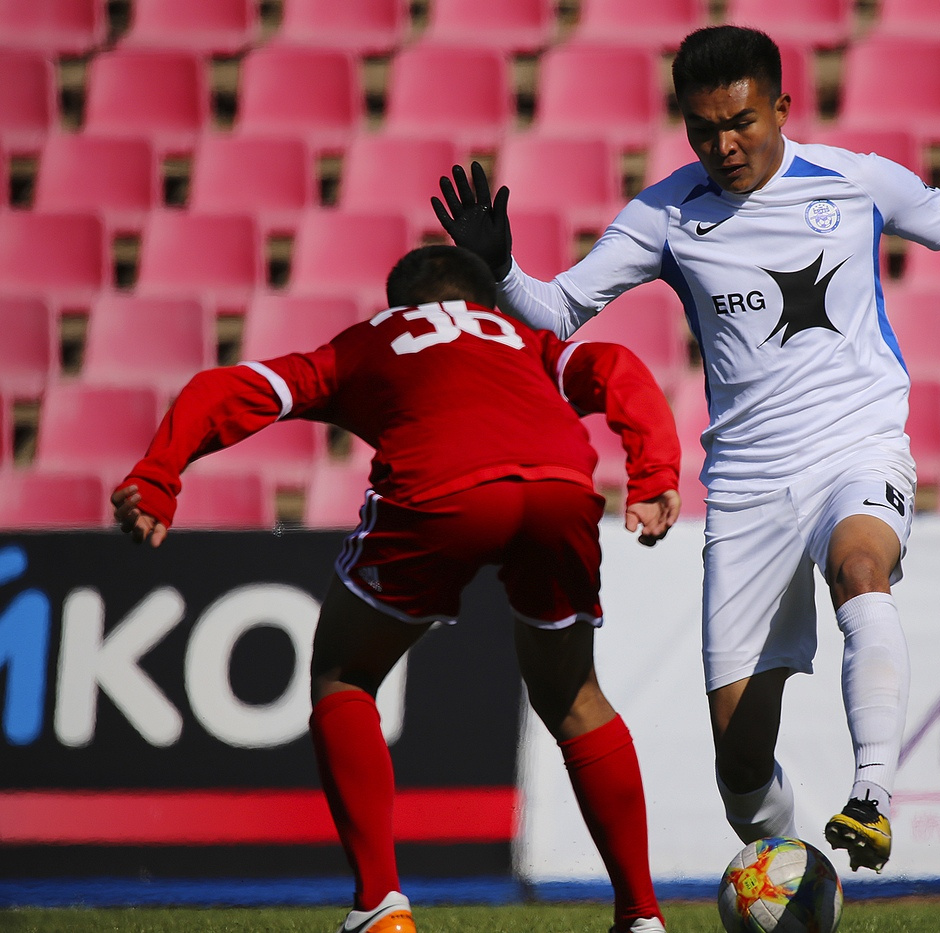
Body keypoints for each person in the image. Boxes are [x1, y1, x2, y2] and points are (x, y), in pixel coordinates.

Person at [432, 24, 940, 874]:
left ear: (782, 108)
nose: (723, 145)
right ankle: (794, 873)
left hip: (857, 446)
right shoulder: (666, 213)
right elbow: (561, 310)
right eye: (703, 129)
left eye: (741, 122)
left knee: (861, 568)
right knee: (741, 762)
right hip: (748, 487)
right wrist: (501, 272)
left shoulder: (854, 180)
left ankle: (871, 796)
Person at [110, 245, 682, 933]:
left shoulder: (369, 340)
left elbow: (227, 387)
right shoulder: (522, 338)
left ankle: (381, 904)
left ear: (399, 304)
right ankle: (641, 916)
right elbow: (615, 365)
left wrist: (159, 475)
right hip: (559, 487)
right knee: (573, 696)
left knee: (344, 674)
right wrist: (654, 471)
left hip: (441, 489)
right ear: (485, 304)